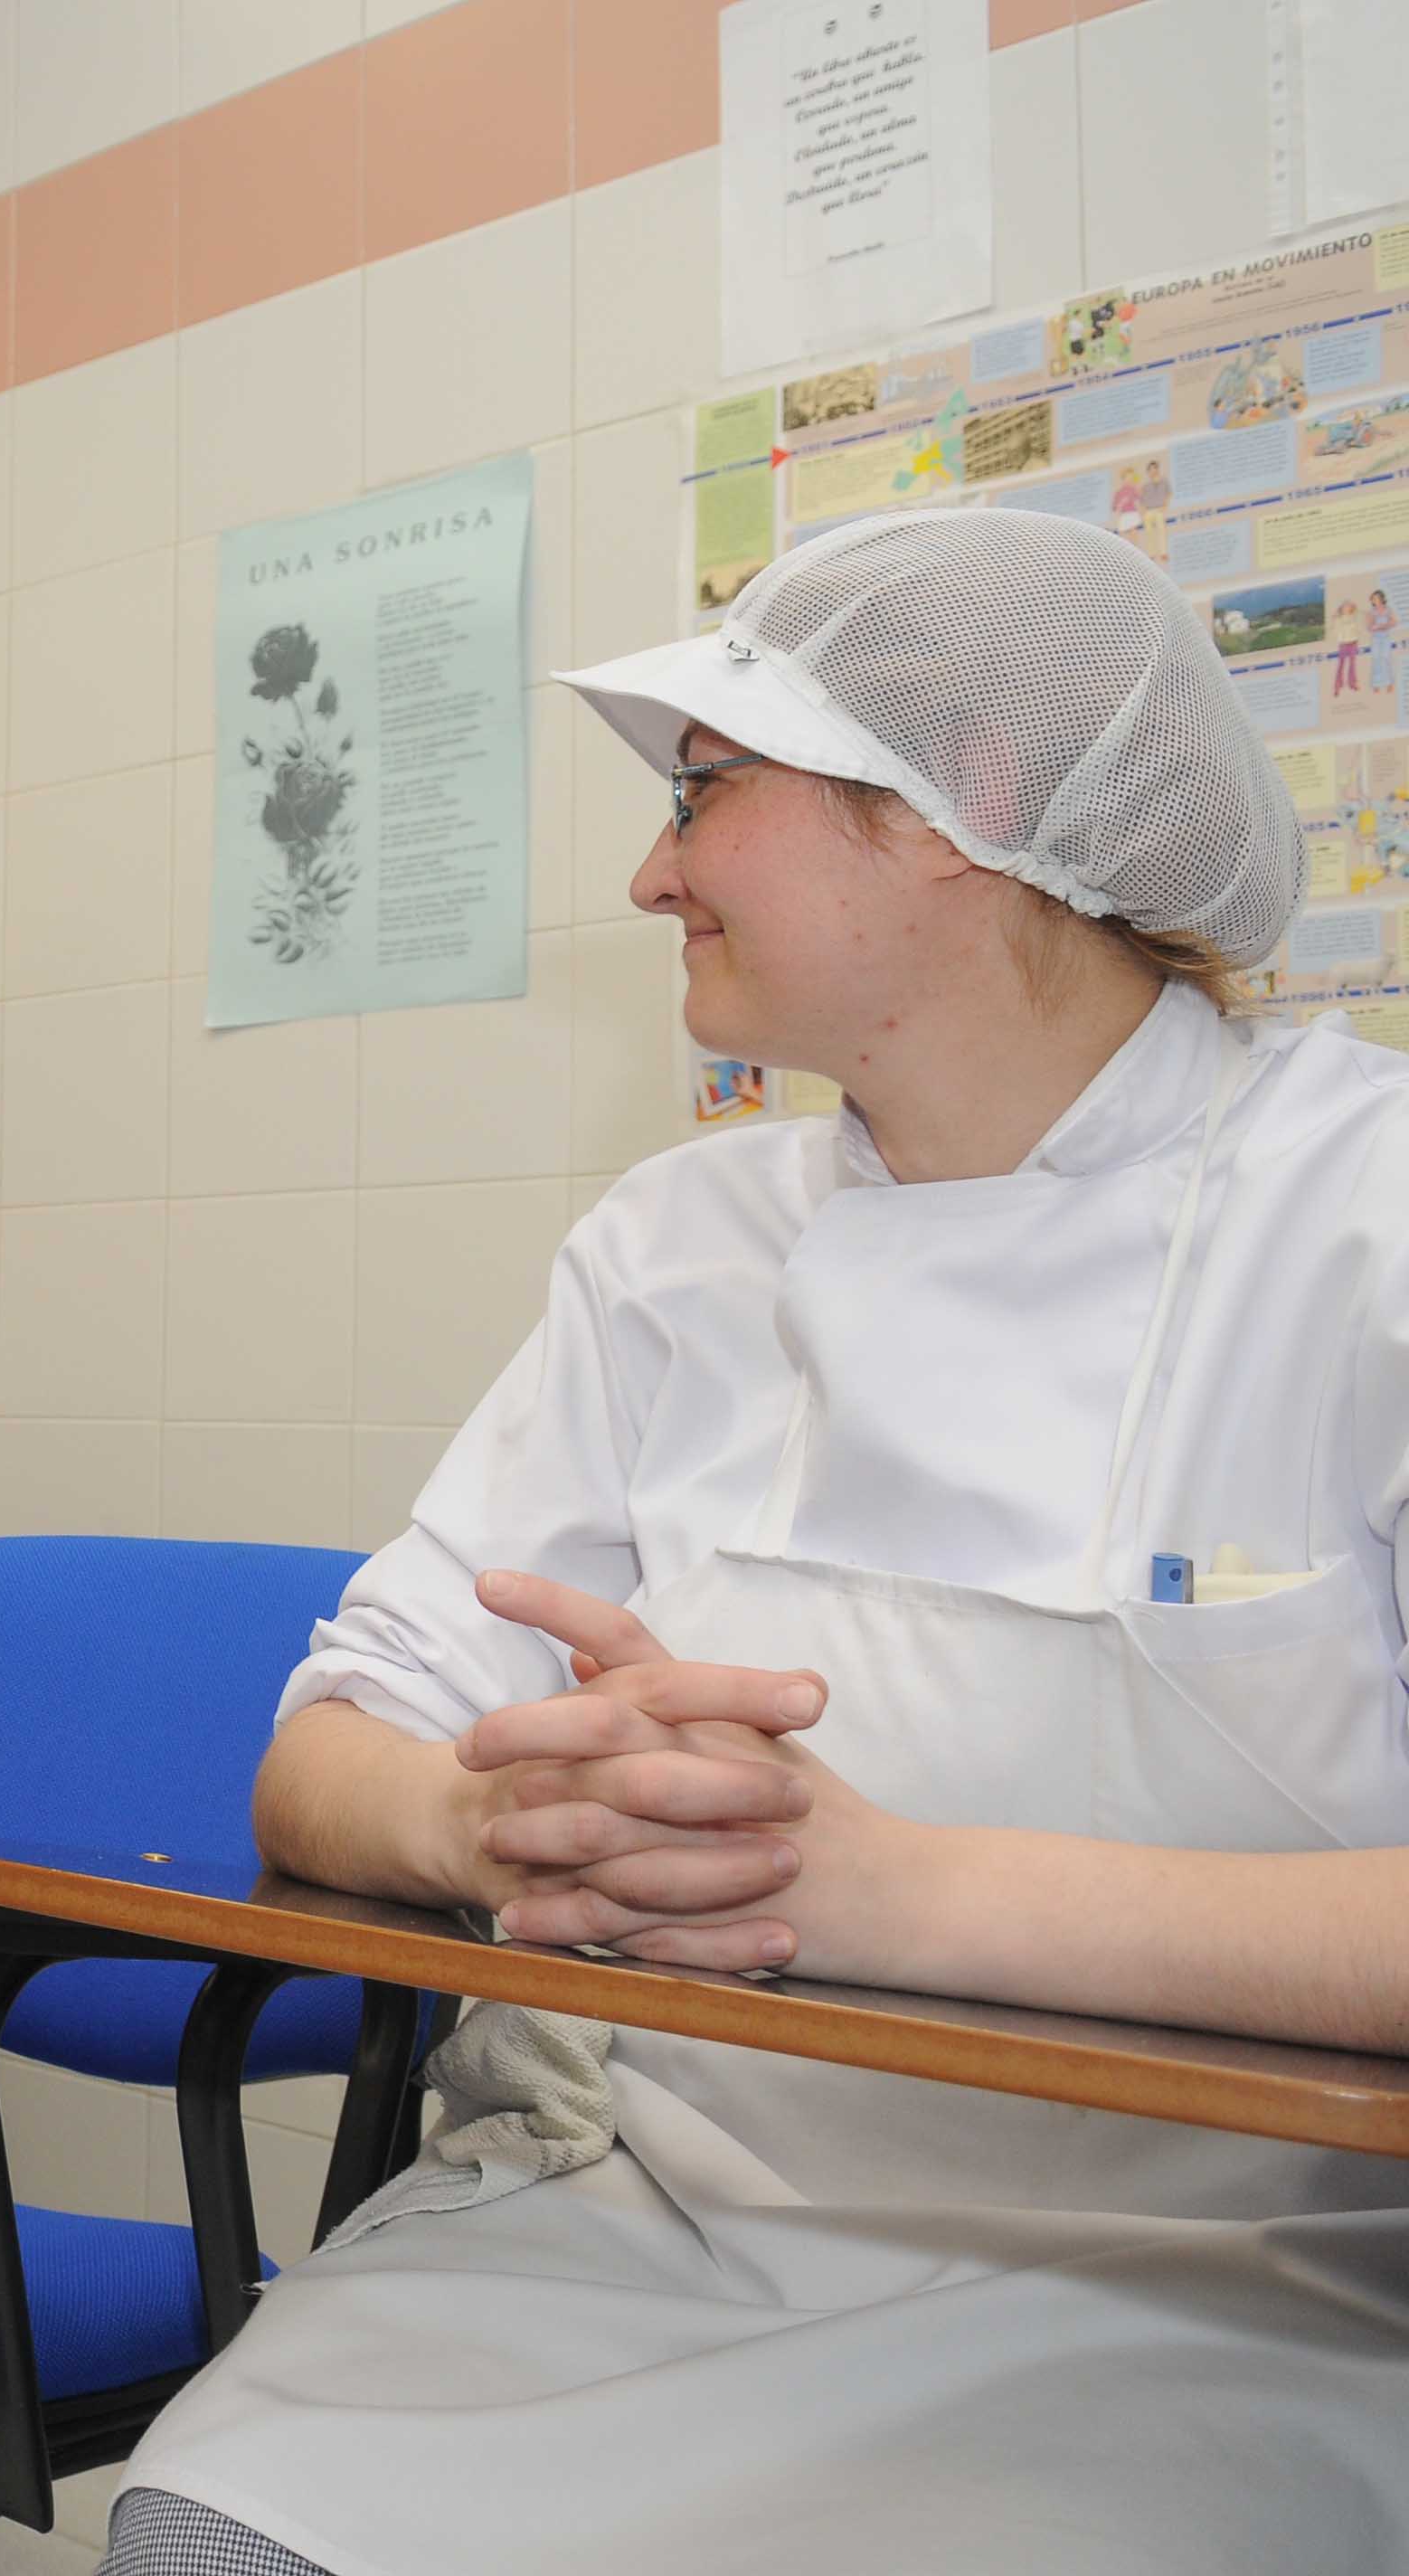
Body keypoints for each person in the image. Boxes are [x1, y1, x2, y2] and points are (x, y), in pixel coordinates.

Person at [108, 508, 1409, 2576]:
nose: (648, 872)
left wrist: (892, 1888)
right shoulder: (669, 1246)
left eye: (702, 788)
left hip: (1239, 2282)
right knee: (203, 2539)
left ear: (961, 797)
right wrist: (486, 1826)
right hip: (645, 2208)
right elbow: (326, 1742)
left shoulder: (1359, 1220)